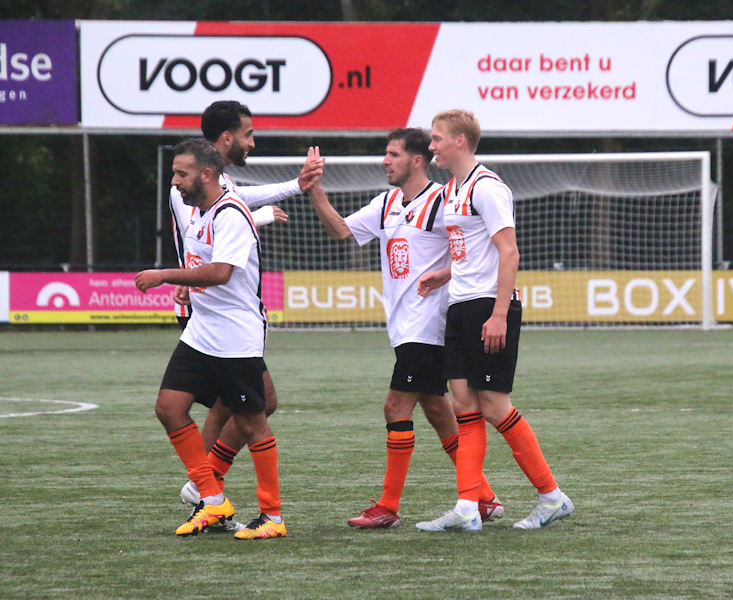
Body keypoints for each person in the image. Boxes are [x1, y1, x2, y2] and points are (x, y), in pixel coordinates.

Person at [305, 129, 502, 529]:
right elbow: (340, 230)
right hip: (404, 326)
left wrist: (446, 274)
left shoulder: (444, 200)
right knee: (438, 410)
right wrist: (315, 190)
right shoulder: (386, 203)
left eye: (393, 154)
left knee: (395, 406)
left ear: (416, 161)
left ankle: (388, 507)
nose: (385, 161)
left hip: (430, 324)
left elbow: (479, 248)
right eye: (385, 153)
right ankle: (483, 498)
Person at [415, 109, 573, 532]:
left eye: (437, 138)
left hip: (488, 306)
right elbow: (472, 250)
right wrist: (446, 273)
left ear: (460, 140)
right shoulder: (452, 190)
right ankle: (467, 508)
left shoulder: (487, 188)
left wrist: (500, 313)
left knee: (495, 406)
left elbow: (509, 251)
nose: (431, 146)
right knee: (463, 405)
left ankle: (552, 497)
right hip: (460, 305)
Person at [172, 100, 322, 521]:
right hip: (214, 311)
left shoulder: (219, 185)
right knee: (234, 404)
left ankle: (208, 489)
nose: (252, 142)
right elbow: (221, 231)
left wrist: (294, 185)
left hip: (218, 305)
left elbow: (234, 207)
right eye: (248, 134)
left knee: (255, 401)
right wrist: (181, 275)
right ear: (227, 138)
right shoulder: (193, 186)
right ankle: (206, 491)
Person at [136, 137, 286, 539]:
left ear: (206, 174)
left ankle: (272, 517)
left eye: (181, 174)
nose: (174, 181)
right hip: (202, 331)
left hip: (235, 336)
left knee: (252, 422)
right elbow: (204, 267)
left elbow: (221, 272)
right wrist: (189, 284)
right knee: (169, 407)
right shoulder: (201, 213)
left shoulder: (231, 213)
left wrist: (165, 275)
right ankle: (212, 498)